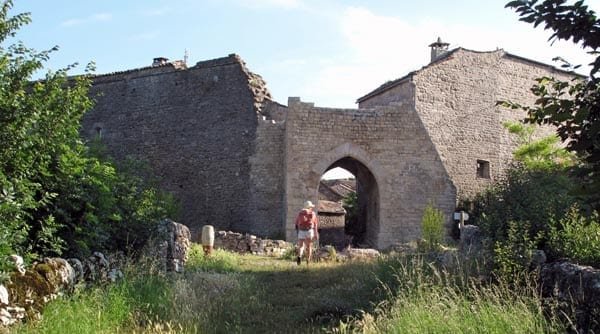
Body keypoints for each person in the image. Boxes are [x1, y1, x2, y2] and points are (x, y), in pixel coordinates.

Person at [295, 200, 319, 265]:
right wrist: (316, 233)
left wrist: (298, 232)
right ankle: (308, 261)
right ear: (310, 207)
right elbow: (315, 224)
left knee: (301, 246)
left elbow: (296, 223)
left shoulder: (300, 213)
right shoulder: (312, 213)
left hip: (301, 231)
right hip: (309, 231)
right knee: (309, 246)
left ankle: (299, 256)